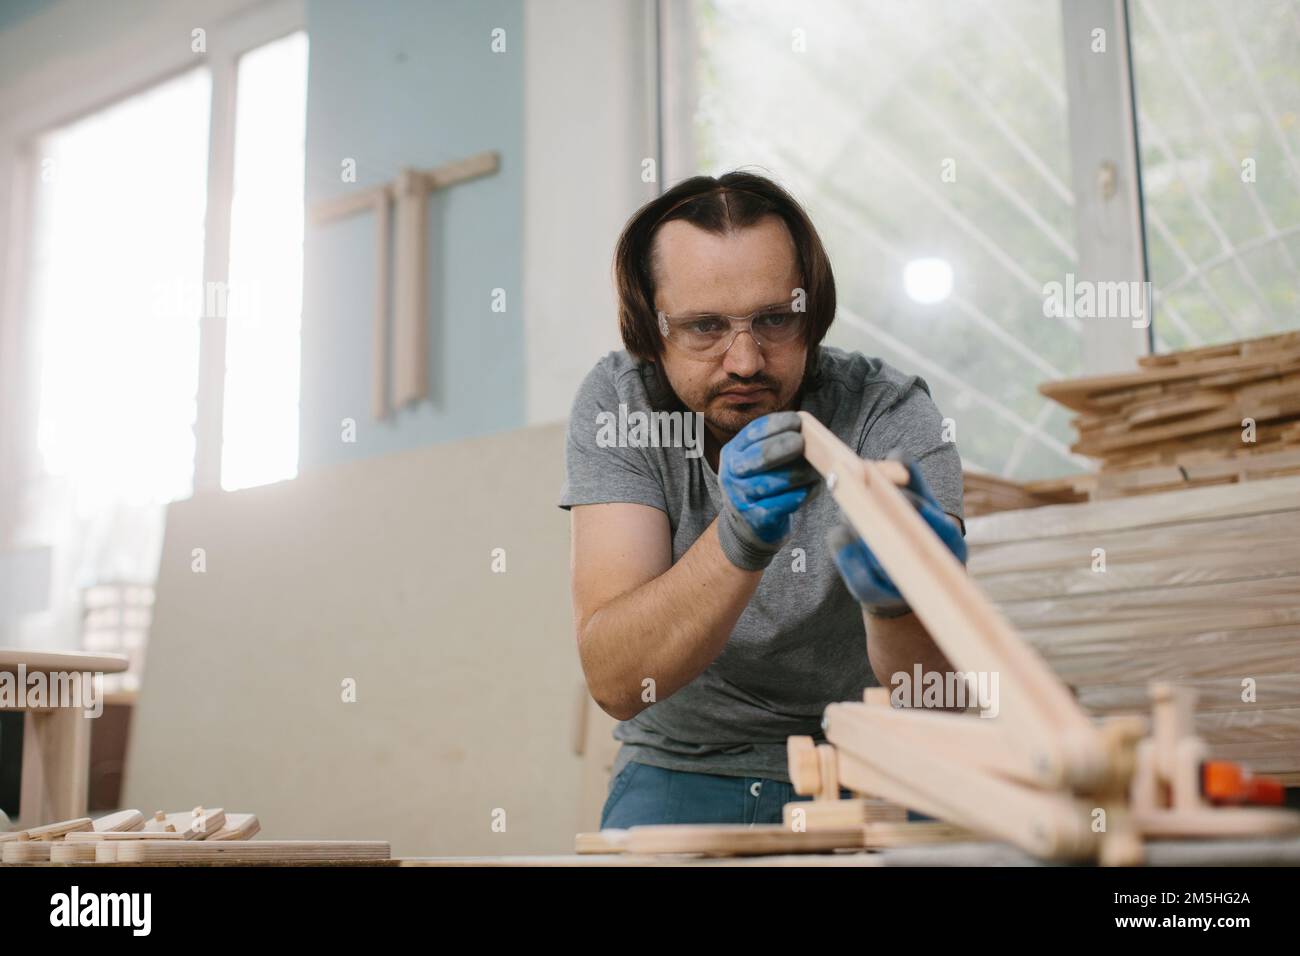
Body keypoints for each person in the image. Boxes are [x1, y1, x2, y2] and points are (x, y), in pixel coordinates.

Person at [559, 170, 967, 827]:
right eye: (704, 328)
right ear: (651, 330)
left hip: (875, 766)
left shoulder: (888, 415)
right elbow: (616, 681)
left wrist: (900, 604)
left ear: (812, 314)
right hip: (685, 765)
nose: (745, 360)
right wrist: (736, 539)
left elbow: (938, 700)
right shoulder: (621, 406)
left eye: (775, 320)